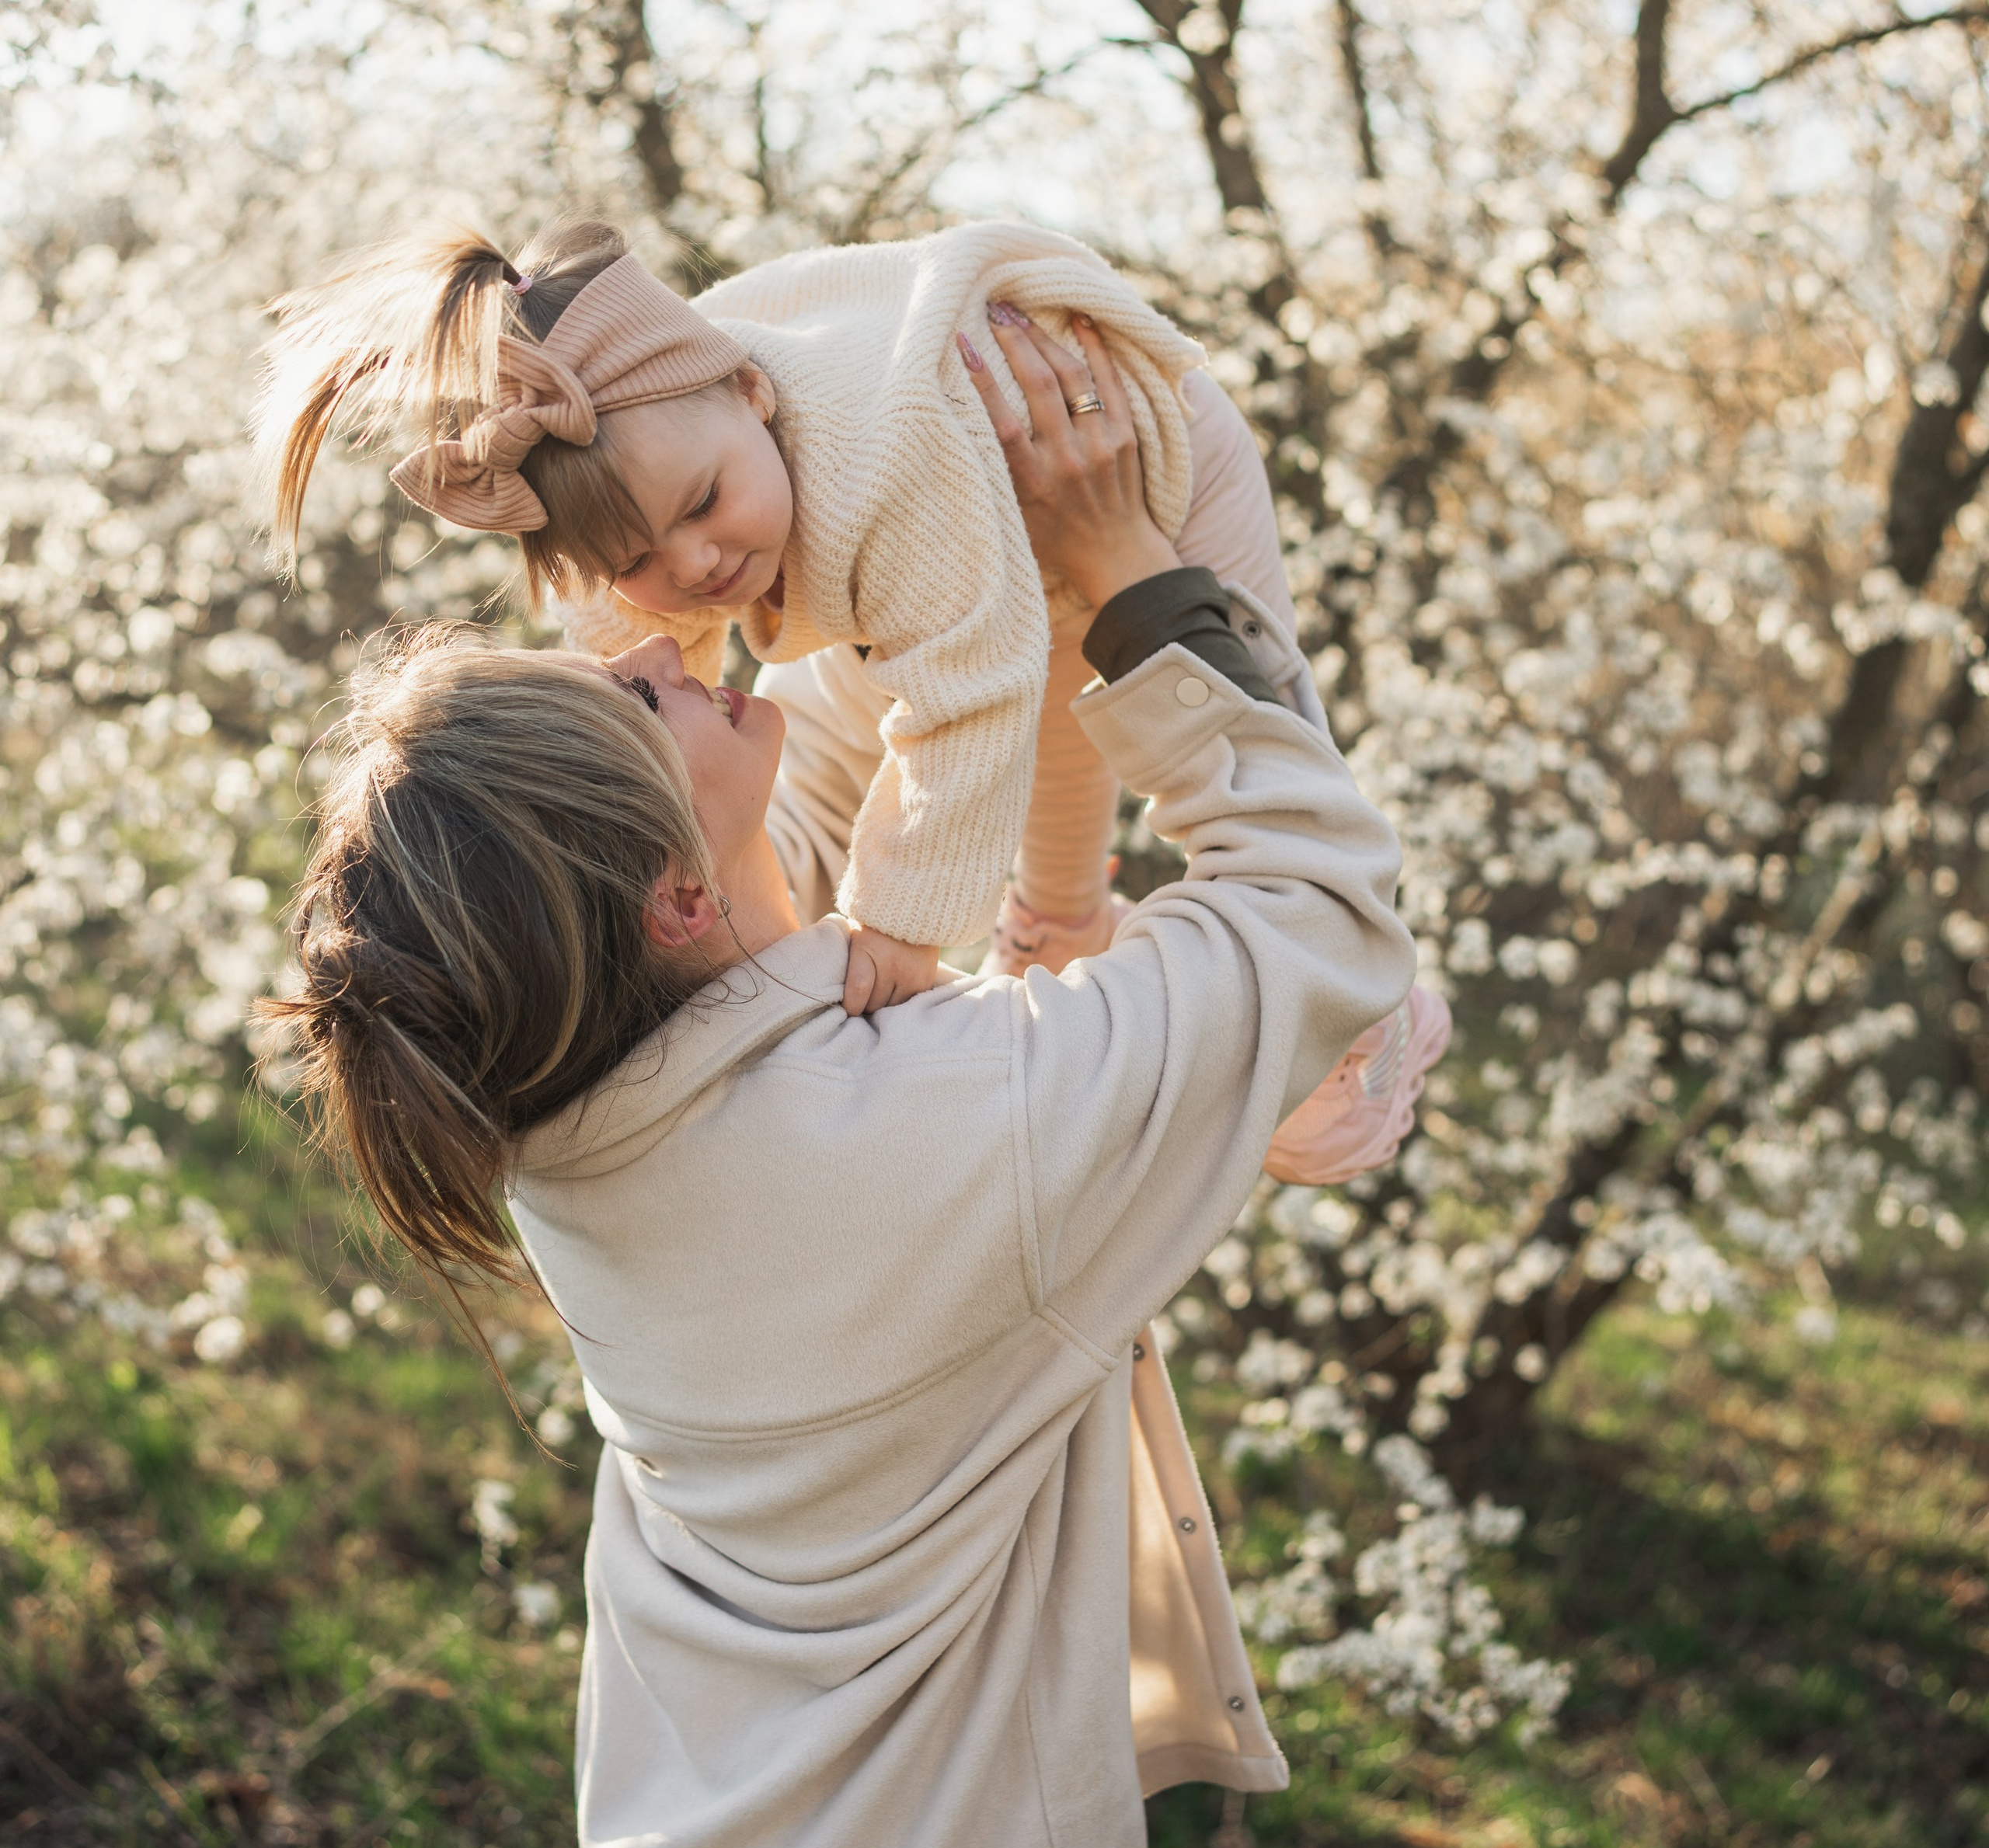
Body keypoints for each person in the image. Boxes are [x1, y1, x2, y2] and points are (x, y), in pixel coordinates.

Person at [267, 318, 1417, 1848]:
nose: (651, 648)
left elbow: (810, 812)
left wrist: (904, 520)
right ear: (672, 905)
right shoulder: (950, 1141)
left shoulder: (569, 1098)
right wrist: (1132, 577)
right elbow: (1320, 914)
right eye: (627, 703)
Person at [259, 211, 1447, 1171]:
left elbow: (968, 708)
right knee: (1051, 778)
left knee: (1253, 723)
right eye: (638, 562)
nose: (695, 576)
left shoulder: (882, 472)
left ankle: (1367, 993)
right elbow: (632, 659)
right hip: (982, 565)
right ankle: (1061, 920)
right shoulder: (672, 481)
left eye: (707, 508)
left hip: (1148, 467)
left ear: (754, 396)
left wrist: (903, 924)